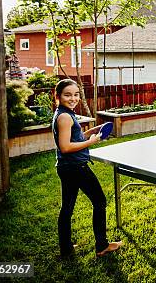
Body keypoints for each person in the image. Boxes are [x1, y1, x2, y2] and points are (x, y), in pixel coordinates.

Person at [52, 79, 123, 258]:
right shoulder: (65, 117)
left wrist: (91, 133)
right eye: (68, 95)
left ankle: (66, 249)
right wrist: (91, 142)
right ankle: (102, 246)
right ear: (58, 96)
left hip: (67, 167)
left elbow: (75, 138)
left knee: (67, 208)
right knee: (99, 202)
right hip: (77, 168)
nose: (73, 98)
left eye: (76, 94)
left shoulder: (64, 114)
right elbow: (66, 147)